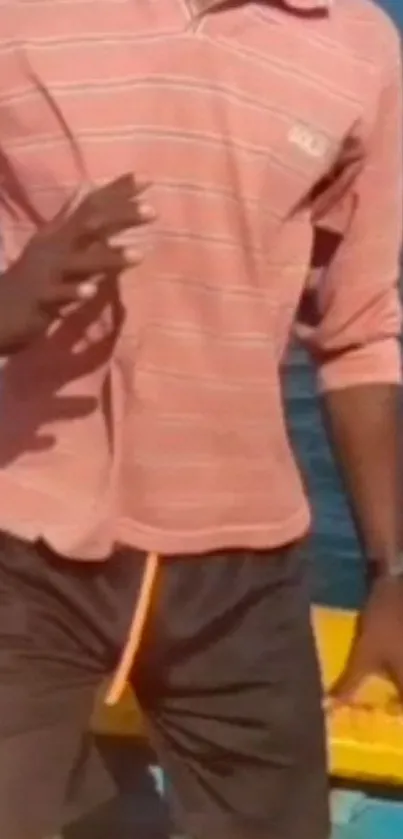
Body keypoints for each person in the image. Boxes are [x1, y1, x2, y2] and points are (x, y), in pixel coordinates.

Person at [0, 0, 401, 836]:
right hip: (20, 545)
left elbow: (358, 329)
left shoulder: (358, 44)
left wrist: (390, 574)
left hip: (243, 574)